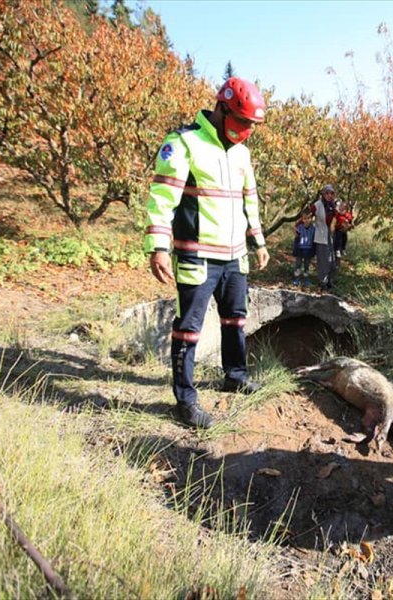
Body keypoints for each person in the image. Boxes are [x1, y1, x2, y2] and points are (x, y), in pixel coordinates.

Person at [144, 76, 270, 429]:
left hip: (234, 256)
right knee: (189, 329)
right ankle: (185, 400)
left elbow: (250, 200)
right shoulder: (184, 143)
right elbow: (162, 198)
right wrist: (158, 246)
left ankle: (235, 375)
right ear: (222, 109)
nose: (247, 131)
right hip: (197, 256)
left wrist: (257, 241)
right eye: (242, 122)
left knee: (236, 319)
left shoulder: (242, 153)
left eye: (252, 125)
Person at [312, 184, 338, 292]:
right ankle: (322, 283)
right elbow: (306, 215)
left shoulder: (333, 206)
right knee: (323, 260)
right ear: (323, 194)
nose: (329, 195)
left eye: (331, 193)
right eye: (327, 193)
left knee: (332, 260)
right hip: (321, 235)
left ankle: (329, 282)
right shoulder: (317, 205)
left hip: (331, 236)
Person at [292, 208, 316, 287]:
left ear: (311, 218)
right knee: (298, 264)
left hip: (308, 249)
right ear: (302, 219)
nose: (307, 220)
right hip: (300, 248)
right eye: (305, 218)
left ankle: (306, 279)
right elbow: (296, 234)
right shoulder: (299, 227)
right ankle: (296, 278)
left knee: (306, 264)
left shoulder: (313, 228)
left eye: (309, 218)